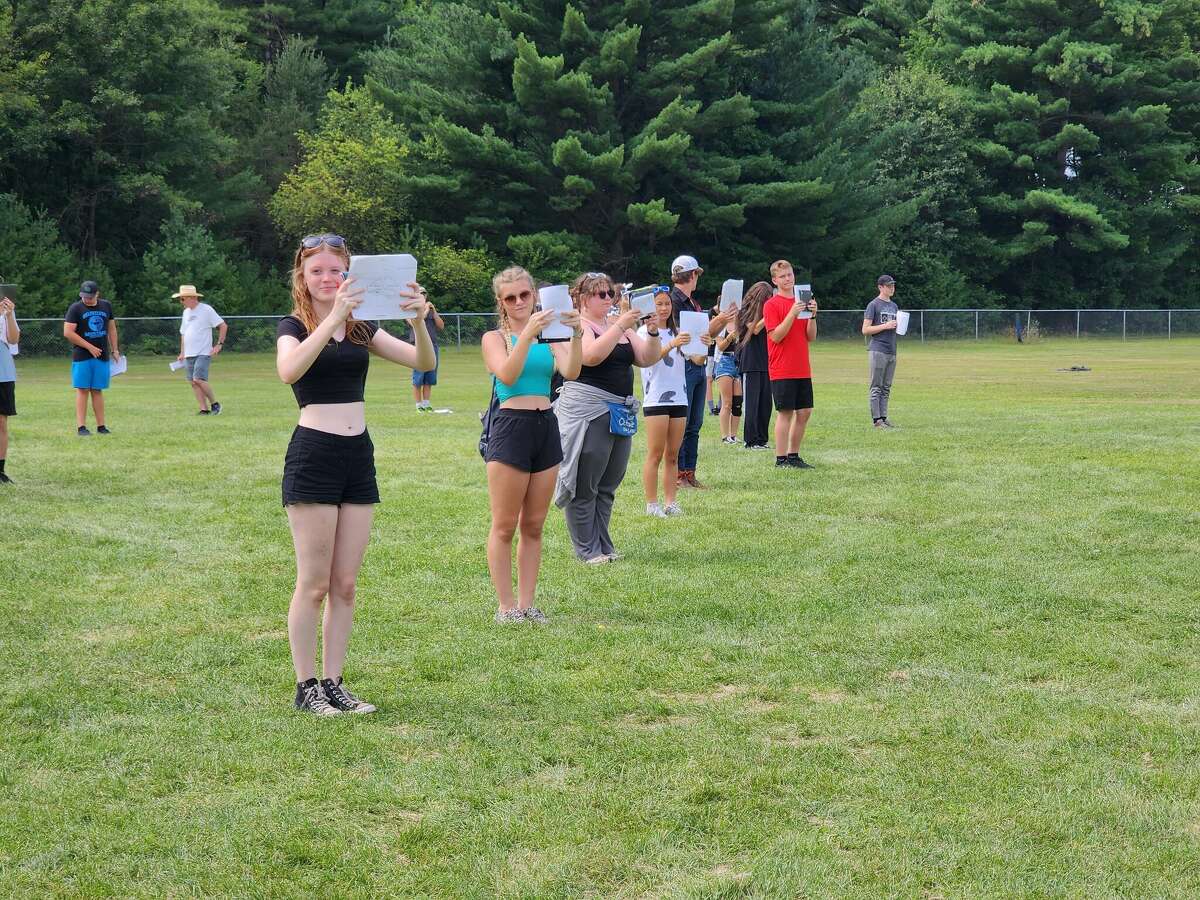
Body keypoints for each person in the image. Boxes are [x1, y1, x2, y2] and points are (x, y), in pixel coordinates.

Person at [276, 233, 435, 717]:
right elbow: (289, 370)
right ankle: (306, 689)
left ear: (351, 274)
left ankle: (333, 681)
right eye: (317, 271)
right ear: (303, 278)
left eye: (336, 270)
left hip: (357, 456)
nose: (327, 278)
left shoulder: (363, 328)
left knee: (345, 584)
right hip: (314, 454)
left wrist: (418, 322)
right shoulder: (294, 325)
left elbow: (423, 363)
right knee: (314, 583)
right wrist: (333, 319)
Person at [482, 267, 582, 623]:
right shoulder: (495, 338)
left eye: (525, 295)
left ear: (534, 295)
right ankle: (506, 606)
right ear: (502, 303)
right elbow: (506, 374)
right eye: (511, 298)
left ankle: (527, 604)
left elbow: (571, 370)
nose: (519, 302)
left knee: (535, 524)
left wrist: (576, 333)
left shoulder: (550, 335)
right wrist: (527, 336)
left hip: (546, 424)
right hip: (510, 428)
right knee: (505, 524)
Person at [555, 272, 661, 563]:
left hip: (619, 412)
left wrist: (651, 332)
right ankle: (587, 550)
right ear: (581, 297)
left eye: (609, 293)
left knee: (608, 484)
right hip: (589, 411)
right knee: (584, 482)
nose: (606, 299)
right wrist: (620, 326)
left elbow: (646, 358)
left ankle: (603, 545)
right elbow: (589, 356)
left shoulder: (620, 327)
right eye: (599, 293)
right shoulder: (581, 326)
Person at [638, 288, 690, 517]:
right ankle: (652, 504)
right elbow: (648, 359)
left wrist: (703, 343)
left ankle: (671, 502)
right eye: (658, 304)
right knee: (655, 453)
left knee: (672, 455)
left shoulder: (678, 331)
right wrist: (671, 344)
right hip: (656, 398)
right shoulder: (643, 332)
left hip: (679, 396)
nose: (663, 308)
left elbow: (696, 358)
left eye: (667, 304)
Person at [668, 255, 717, 489]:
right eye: (697, 274)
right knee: (684, 423)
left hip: (698, 364)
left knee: (694, 424)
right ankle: (679, 474)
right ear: (693, 274)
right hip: (684, 365)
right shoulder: (673, 301)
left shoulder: (692, 303)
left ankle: (689, 473)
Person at [764, 260, 819, 469]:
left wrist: (812, 315)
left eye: (790, 275)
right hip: (782, 367)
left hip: (801, 365)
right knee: (785, 412)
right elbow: (776, 336)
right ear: (775, 280)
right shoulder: (771, 304)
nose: (787, 279)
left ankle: (794, 455)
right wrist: (792, 313)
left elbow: (810, 336)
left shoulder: (802, 299)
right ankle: (781, 458)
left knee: (804, 411)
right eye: (782, 276)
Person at [63, 280, 119, 436]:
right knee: (82, 389)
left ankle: (101, 426)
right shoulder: (75, 308)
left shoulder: (106, 306)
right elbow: (68, 332)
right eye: (84, 296)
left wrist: (115, 349)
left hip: (102, 356)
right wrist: (89, 347)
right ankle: (81, 427)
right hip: (82, 356)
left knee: (97, 389)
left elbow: (112, 329)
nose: (86, 299)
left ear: (97, 294)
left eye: (89, 296)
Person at [175, 284, 228, 416]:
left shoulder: (206, 309)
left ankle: (215, 404)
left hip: (203, 352)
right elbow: (184, 333)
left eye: (182, 299)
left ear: (192, 297)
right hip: (188, 353)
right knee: (193, 382)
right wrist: (182, 352)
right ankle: (203, 409)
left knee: (199, 379)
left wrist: (219, 344)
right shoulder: (185, 313)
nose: (181, 302)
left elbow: (223, 326)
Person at [735, 282, 773, 450]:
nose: (769, 300)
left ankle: (761, 439)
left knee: (765, 403)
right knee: (752, 403)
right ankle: (750, 440)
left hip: (767, 362)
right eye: (767, 298)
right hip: (751, 362)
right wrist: (768, 313)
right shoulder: (745, 312)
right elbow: (755, 329)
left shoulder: (766, 312)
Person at [863, 275, 900, 428]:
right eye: (888, 285)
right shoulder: (873, 305)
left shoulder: (894, 306)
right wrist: (885, 326)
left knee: (886, 386)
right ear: (880, 287)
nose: (891, 288)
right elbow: (865, 329)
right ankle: (876, 420)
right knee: (876, 386)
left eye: (892, 285)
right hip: (878, 350)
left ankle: (884, 417)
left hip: (892, 350)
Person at [713, 307, 743, 444]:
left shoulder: (741, 323)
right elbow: (720, 346)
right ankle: (725, 436)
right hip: (724, 362)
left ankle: (733, 435)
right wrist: (731, 336)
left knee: (737, 403)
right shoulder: (720, 324)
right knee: (727, 402)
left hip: (738, 362)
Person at [412, 291, 445, 411]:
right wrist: (425, 310)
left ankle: (426, 404)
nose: (423, 295)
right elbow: (418, 321)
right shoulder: (411, 310)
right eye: (420, 293)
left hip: (433, 345)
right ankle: (418, 405)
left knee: (430, 376)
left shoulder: (431, 310)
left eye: (424, 294)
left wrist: (434, 311)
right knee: (418, 377)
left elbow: (441, 326)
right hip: (419, 347)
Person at [0, 293, 19, 483]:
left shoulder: (6, 311)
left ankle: (0, 470)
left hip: (3, 370)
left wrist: (9, 315)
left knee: (1, 421)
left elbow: (13, 339)